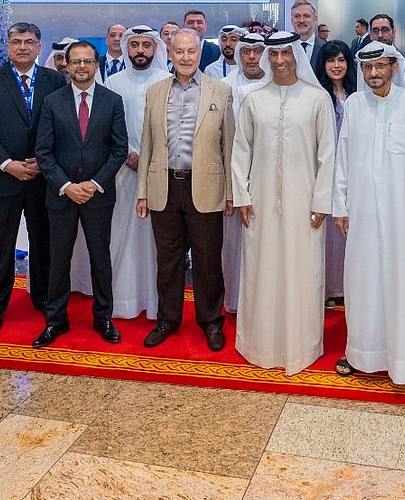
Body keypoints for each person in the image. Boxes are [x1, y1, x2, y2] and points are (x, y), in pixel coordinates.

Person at [332, 42, 405, 386]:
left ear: (394, 66)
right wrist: (341, 205)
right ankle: (361, 351)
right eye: (367, 68)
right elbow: (342, 159)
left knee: (404, 283)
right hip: (361, 213)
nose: (374, 73)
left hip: (404, 214)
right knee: (362, 282)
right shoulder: (355, 105)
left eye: (380, 66)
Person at [232, 32, 336, 376]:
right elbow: (241, 151)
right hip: (259, 203)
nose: (279, 61)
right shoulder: (253, 99)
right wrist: (242, 196)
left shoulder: (316, 98)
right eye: (273, 55)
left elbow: (327, 155)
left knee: (302, 272)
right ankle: (258, 344)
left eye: (285, 54)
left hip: (304, 204)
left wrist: (322, 200)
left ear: (295, 56)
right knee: (261, 270)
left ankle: (300, 346)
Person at [136, 29, 235, 350]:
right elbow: (147, 145)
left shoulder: (219, 91)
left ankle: (210, 321)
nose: (186, 57)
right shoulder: (155, 91)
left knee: (208, 260)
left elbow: (229, 145)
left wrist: (232, 192)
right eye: (179, 52)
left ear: (199, 53)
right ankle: (167, 318)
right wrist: (142, 192)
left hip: (206, 186)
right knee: (168, 260)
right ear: (170, 52)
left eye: (191, 51)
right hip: (164, 188)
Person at [0, 22, 67, 332]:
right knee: (0, 246)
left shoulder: (54, 80)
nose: (22, 46)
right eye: (16, 41)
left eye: (28, 41)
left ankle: (43, 297)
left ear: (39, 47)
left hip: (43, 178)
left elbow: (63, 126)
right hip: (3, 179)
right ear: (8, 47)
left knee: (44, 241)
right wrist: (7, 163)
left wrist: (43, 161)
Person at [33, 41, 128, 348]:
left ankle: (104, 318)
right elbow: (43, 152)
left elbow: (119, 149)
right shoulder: (52, 101)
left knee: (101, 257)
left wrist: (95, 184)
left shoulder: (112, 101)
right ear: (67, 65)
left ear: (96, 65)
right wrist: (67, 186)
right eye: (76, 62)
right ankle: (55, 320)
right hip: (61, 195)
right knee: (58, 259)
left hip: (98, 195)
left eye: (88, 61)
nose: (82, 67)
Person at [103, 26, 170, 320]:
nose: (140, 51)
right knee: (122, 235)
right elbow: (107, 125)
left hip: (159, 170)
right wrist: (130, 153)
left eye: (146, 45)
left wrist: (148, 158)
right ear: (127, 48)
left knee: (158, 239)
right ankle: (125, 300)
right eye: (135, 45)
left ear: (155, 48)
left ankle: (157, 304)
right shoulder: (113, 82)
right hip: (122, 169)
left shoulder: (167, 81)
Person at [222, 32, 267, 314]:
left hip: (266, 176)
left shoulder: (275, 85)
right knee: (232, 244)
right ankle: (235, 301)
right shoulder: (224, 86)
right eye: (247, 51)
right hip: (230, 174)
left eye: (258, 51)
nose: (252, 57)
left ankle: (262, 303)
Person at [313, 39, 357, 308]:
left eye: (341, 60)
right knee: (329, 232)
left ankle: (349, 286)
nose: (336, 66)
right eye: (331, 60)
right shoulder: (317, 95)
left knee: (351, 228)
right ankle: (329, 287)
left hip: (354, 171)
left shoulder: (358, 94)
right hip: (326, 171)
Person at [290, 0, 325, 67]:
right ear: (292, 20)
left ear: (315, 19)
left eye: (306, 16)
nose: (301, 20)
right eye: (297, 16)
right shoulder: (285, 47)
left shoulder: (325, 47)